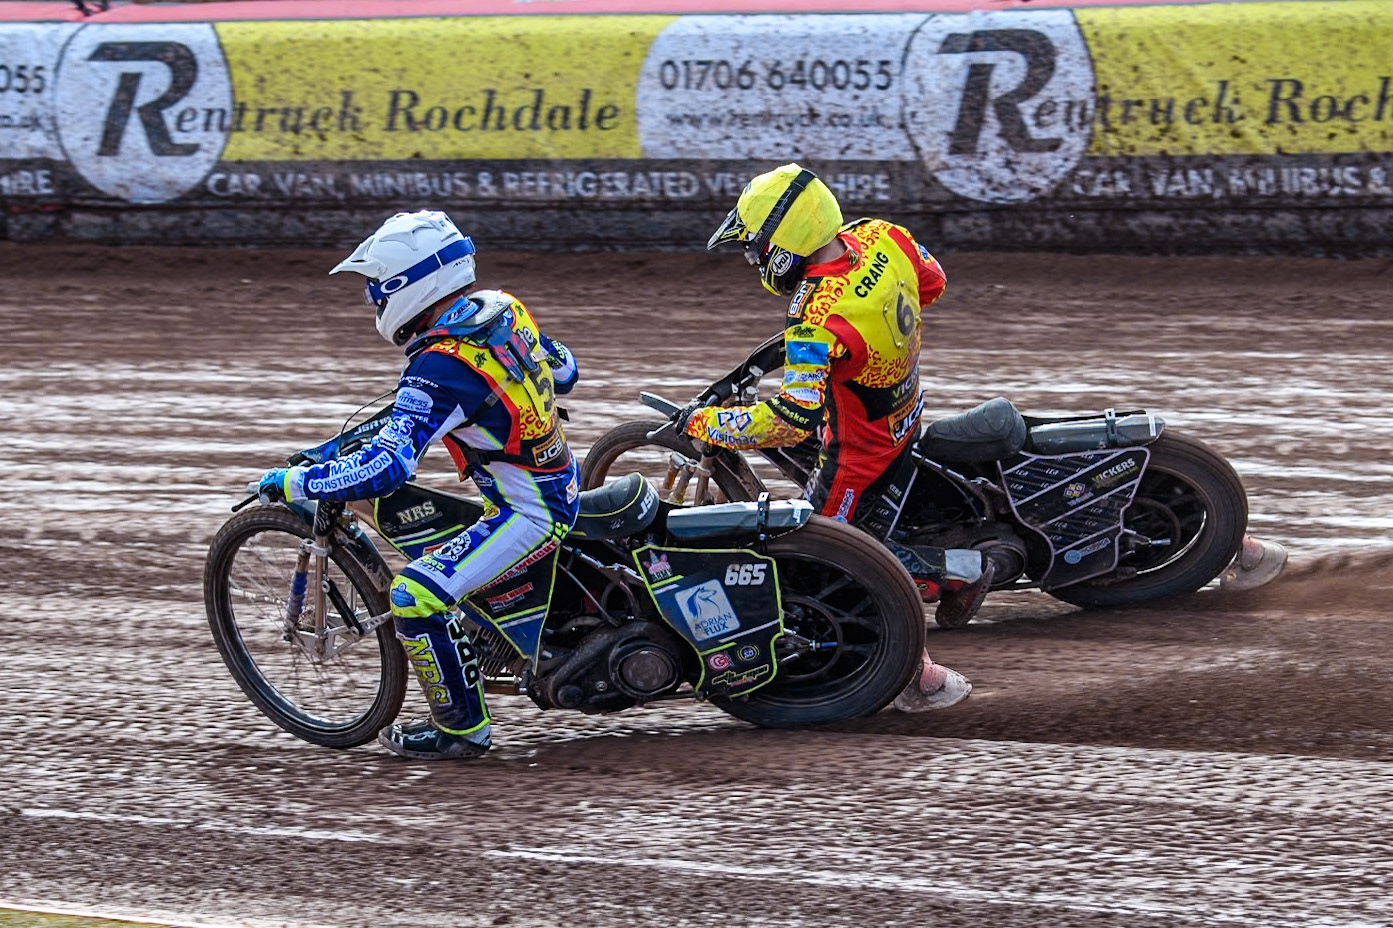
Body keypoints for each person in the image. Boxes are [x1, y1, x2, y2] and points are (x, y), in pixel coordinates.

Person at [255, 210, 580, 759]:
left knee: (414, 595)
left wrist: (301, 481)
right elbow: (566, 371)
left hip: (529, 512)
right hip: (558, 475)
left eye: (377, 287)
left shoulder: (438, 368)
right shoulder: (500, 309)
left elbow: (386, 470)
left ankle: (462, 731)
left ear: (409, 284)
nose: (373, 299)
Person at [681, 163, 986, 712]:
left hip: (858, 453)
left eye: (755, 246)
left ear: (785, 239)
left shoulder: (814, 318)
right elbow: (933, 283)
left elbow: (789, 420)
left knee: (825, 558)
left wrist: (706, 424)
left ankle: (939, 618)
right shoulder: (882, 234)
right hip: (904, 409)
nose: (753, 259)